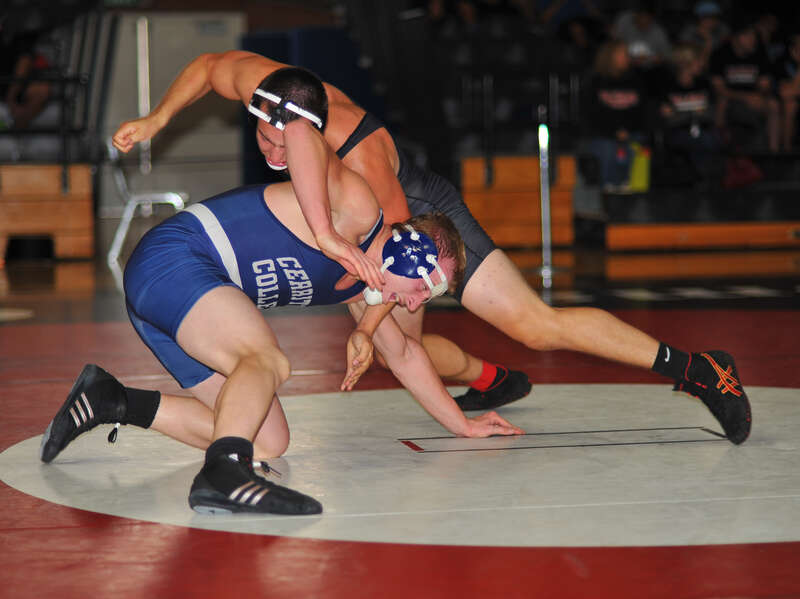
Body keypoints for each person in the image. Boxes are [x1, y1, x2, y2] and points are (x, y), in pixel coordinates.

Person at [111, 53, 753, 449]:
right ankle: (489, 379)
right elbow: (210, 66)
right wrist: (157, 119)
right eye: (265, 140)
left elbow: (390, 268)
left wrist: (365, 325)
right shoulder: (280, 91)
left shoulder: (367, 177)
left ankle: (701, 369)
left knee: (522, 327)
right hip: (344, 217)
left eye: (285, 145)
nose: (272, 155)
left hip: (412, 214)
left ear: (310, 132)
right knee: (398, 352)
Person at [40, 125, 525, 515]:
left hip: (171, 297)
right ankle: (223, 474)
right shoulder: (356, 210)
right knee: (267, 359)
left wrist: (463, 426)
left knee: (268, 439)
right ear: (410, 253)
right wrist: (327, 235)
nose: (416, 304)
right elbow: (298, 130)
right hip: (177, 258)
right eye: (424, 288)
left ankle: (113, 400)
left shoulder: (359, 287)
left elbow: (404, 354)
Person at [581, 39, 649, 190]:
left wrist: (627, 130)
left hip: (631, 131)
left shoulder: (636, 79)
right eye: (623, 54)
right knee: (606, 148)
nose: (627, 57)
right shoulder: (595, 81)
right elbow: (591, 115)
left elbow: (642, 113)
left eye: (627, 54)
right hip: (603, 133)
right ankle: (605, 190)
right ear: (610, 56)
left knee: (635, 146)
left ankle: (628, 188)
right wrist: (614, 131)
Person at [708, 15, 780, 153]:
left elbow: (765, 85)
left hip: (755, 98)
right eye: (748, 36)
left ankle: (774, 153)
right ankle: (720, 150)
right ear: (736, 38)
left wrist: (758, 96)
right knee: (722, 101)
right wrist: (747, 97)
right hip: (731, 99)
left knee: (773, 104)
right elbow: (719, 89)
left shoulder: (760, 53)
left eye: (754, 36)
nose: (753, 40)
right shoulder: (720, 54)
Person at [656, 41, 722, 184]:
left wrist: (682, 114)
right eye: (698, 61)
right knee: (701, 141)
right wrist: (694, 114)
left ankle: (701, 179)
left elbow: (711, 113)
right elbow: (668, 119)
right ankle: (701, 179)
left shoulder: (704, 83)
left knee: (708, 139)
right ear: (685, 63)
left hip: (704, 130)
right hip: (678, 132)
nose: (701, 64)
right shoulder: (668, 85)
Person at [774, 31, 800, 151]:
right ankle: (786, 150)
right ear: (793, 50)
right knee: (790, 105)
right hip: (791, 102)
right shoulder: (782, 64)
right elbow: (785, 93)